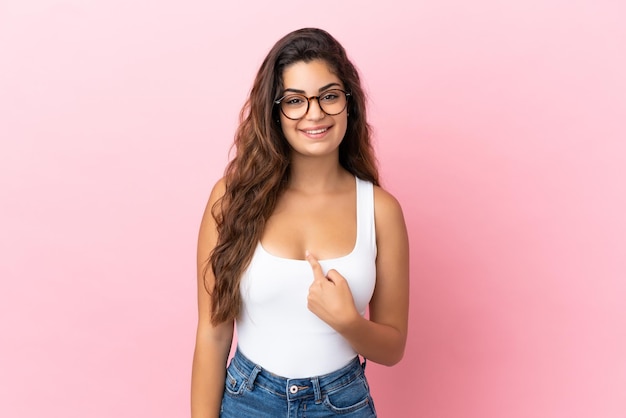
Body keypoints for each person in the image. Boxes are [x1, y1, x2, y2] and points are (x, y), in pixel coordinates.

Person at [191, 27, 409, 418]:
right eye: (295, 100)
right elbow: (213, 333)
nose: (315, 113)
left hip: (342, 403)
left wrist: (348, 323)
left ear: (349, 103)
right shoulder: (230, 200)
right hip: (248, 401)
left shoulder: (380, 211)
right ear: (275, 112)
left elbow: (392, 348)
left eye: (328, 96)